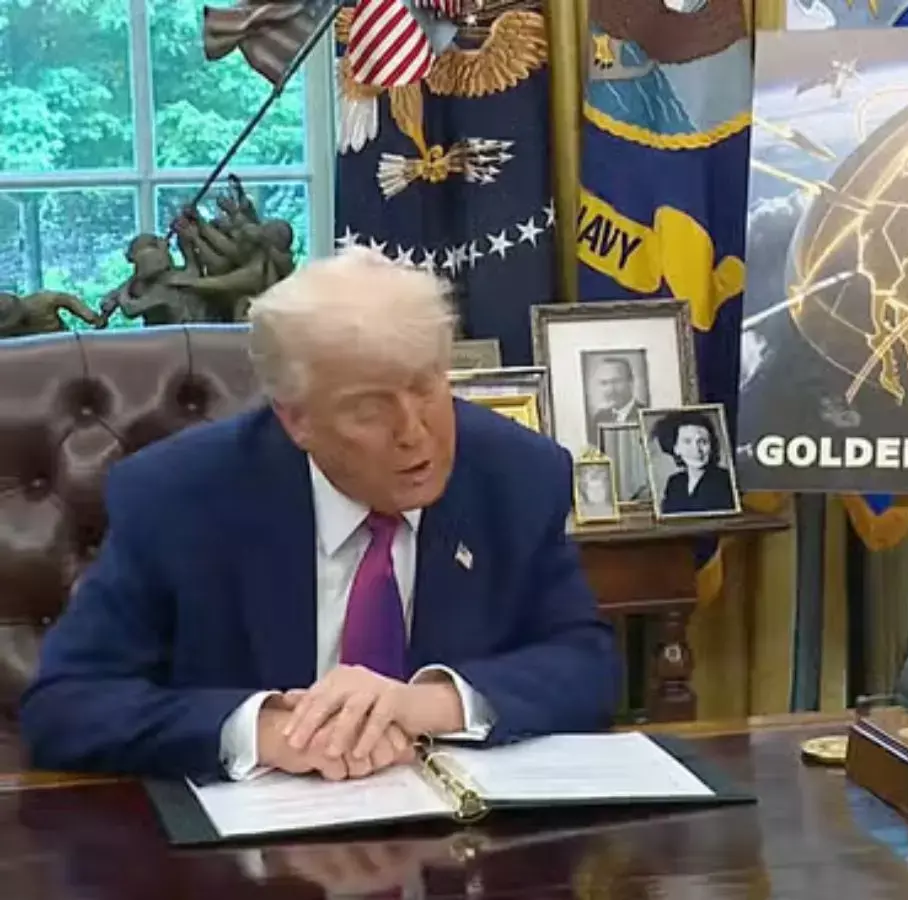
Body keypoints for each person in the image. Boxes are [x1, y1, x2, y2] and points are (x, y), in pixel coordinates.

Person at [19, 248, 620, 780]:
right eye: (369, 409)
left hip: (458, 843)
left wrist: (426, 703)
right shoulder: (178, 498)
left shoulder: (517, 476)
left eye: (425, 388)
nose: (414, 433)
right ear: (296, 419)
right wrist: (266, 731)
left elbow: (586, 666)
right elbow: (66, 706)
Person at [650, 410, 737, 516]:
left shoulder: (725, 480)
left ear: (711, 446)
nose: (696, 450)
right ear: (676, 448)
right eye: (687, 442)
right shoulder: (675, 482)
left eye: (703, 442)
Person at [588, 356, 643, 428]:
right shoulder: (600, 418)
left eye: (616, 381)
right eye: (604, 383)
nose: (610, 390)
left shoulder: (645, 415)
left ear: (630, 382)